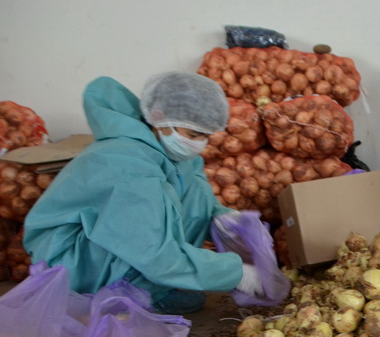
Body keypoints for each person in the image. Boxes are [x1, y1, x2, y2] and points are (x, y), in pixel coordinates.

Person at [23, 72, 265, 314]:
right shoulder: (125, 162)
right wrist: (236, 273)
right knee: (146, 250)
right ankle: (110, 299)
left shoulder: (173, 154)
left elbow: (197, 203)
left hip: (133, 244)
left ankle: (154, 289)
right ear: (159, 118)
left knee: (193, 189)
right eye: (193, 135)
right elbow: (151, 251)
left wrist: (224, 218)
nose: (199, 144)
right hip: (74, 261)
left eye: (205, 137)